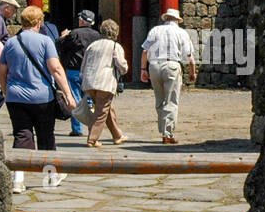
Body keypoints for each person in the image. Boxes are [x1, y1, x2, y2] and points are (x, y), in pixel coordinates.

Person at [0, 6, 76, 193]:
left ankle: (18, 178)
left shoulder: (11, 42)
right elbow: (55, 69)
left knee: (22, 135)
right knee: (46, 135)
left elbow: (2, 71)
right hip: (42, 96)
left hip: (16, 96)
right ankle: (50, 175)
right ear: (39, 22)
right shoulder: (45, 41)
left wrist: (5, 90)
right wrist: (68, 94)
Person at [140, 8, 196, 145]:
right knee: (171, 100)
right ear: (177, 20)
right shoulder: (181, 33)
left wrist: (143, 69)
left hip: (154, 65)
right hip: (171, 65)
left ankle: (163, 130)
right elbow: (189, 56)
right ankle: (167, 133)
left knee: (159, 100)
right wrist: (192, 71)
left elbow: (145, 51)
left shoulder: (154, 30)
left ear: (165, 18)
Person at [81, 19, 130, 147]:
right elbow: (121, 65)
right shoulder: (115, 46)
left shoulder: (92, 45)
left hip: (89, 82)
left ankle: (117, 135)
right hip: (105, 83)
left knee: (107, 109)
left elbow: (84, 64)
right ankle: (92, 139)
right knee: (101, 112)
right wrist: (124, 70)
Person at [58, 9, 100, 137]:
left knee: (75, 98)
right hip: (90, 71)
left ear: (81, 20)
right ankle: (92, 125)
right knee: (90, 99)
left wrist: (62, 37)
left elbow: (61, 46)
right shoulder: (97, 35)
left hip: (74, 70)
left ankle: (77, 128)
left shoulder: (74, 33)